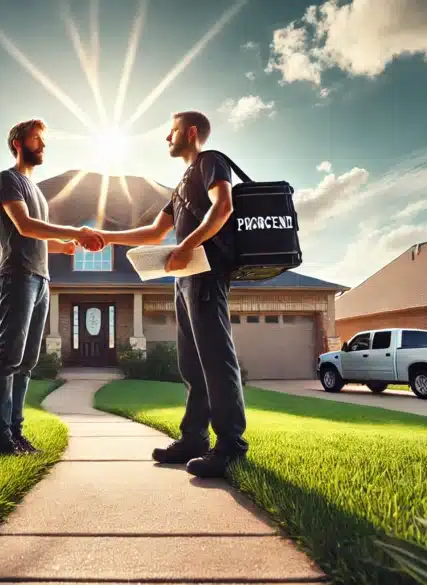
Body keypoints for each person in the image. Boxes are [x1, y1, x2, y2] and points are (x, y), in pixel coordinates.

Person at [94, 111, 247, 478]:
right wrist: (107, 238)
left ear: (191, 133)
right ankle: (194, 439)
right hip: (185, 276)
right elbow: (153, 232)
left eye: (173, 130)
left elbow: (223, 206)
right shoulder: (180, 185)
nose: (167, 137)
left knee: (215, 359)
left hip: (206, 271)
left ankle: (231, 447)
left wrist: (187, 246)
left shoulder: (211, 162)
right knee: (192, 364)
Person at [0, 118, 105, 455]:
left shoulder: (36, 190)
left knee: (26, 362)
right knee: (8, 357)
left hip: (41, 279)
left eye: (43, 141)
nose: (42, 146)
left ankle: (16, 433)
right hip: (17, 275)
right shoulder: (7, 180)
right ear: (18, 143)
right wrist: (73, 231)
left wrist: (64, 246)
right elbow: (23, 227)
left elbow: (38, 239)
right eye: (36, 139)